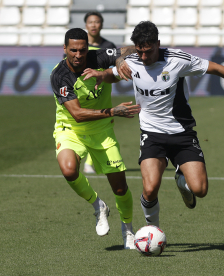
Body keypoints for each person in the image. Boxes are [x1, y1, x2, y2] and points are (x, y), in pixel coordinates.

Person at [85, 21, 224, 228]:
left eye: (148, 52)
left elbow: (215, 68)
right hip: (152, 134)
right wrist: (101, 75)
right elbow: (113, 74)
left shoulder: (178, 59)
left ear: (158, 44)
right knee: (150, 189)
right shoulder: (131, 61)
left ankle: (181, 179)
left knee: (200, 190)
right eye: (140, 51)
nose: (143, 57)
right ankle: (152, 230)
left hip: (182, 134)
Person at [50, 28, 141, 249]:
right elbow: (78, 115)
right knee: (69, 169)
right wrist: (114, 111)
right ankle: (98, 205)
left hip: (102, 131)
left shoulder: (98, 55)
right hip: (71, 128)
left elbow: (131, 50)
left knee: (120, 188)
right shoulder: (59, 75)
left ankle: (128, 230)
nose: (79, 55)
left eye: (82, 50)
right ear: (65, 49)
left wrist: (119, 60)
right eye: (73, 50)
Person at [83, 11, 117, 174]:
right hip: (82, 89)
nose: (94, 25)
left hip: (102, 89)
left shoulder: (109, 46)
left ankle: (90, 162)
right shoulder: (78, 45)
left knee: (99, 123)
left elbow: (114, 69)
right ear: (86, 25)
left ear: (101, 25)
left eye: (97, 22)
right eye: (91, 22)